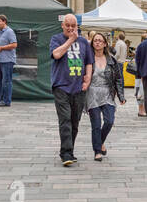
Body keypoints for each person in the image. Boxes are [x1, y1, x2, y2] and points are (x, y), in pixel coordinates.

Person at [49, 14, 93, 167]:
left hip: (78, 88)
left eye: (73, 25)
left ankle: (69, 150)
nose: (70, 28)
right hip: (61, 86)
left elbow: (88, 61)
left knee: (75, 122)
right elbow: (56, 54)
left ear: (77, 26)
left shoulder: (84, 43)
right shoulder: (56, 39)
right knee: (65, 119)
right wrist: (70, 40)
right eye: (67, 25)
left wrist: (88, 77)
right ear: (63, 26)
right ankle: (66, 153)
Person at [85, 32, 125, 161]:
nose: (97, 42)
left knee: (109, 121)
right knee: (96, 124)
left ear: (105, 44)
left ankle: (100, 142)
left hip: (107, 93)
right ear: (92, 43)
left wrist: (121, 95)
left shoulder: (111, 59)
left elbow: (118, 78)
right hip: (92, 93)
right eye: (95, 40)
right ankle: (97, 151)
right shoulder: (87, 58)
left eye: (100, 40)